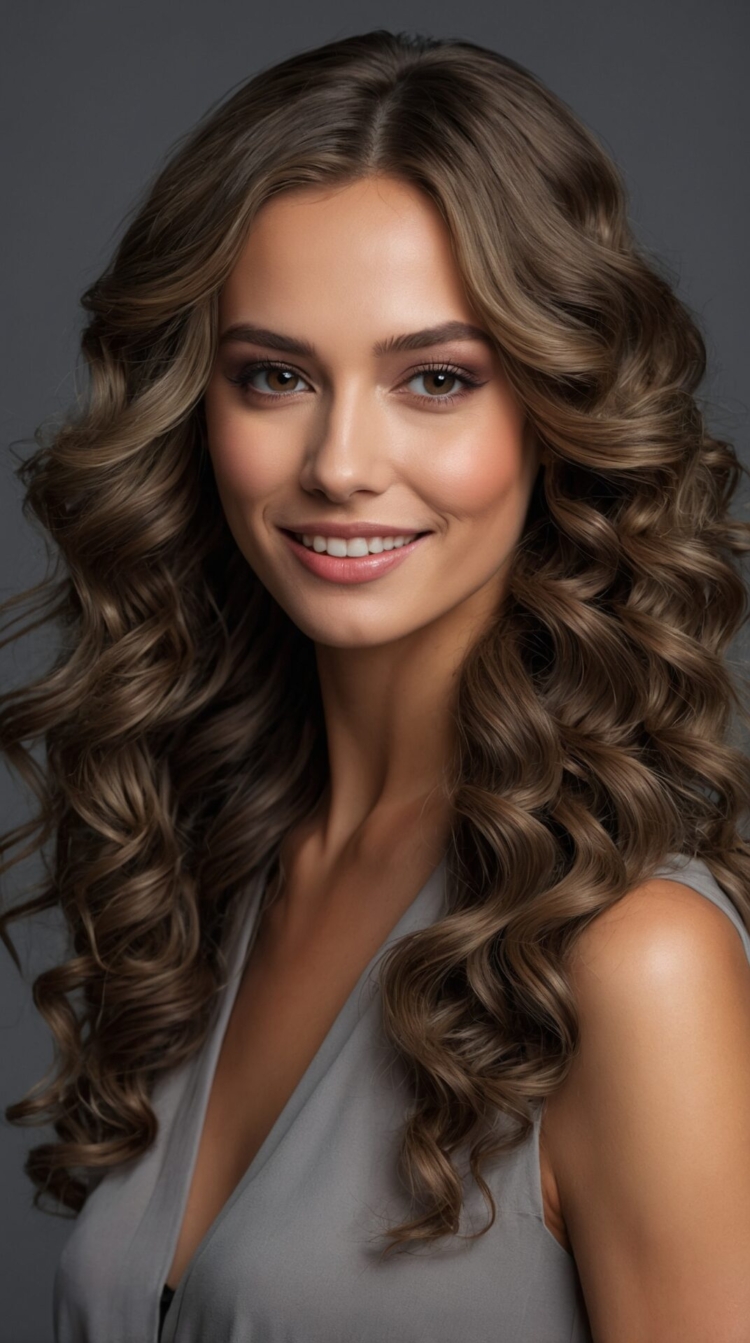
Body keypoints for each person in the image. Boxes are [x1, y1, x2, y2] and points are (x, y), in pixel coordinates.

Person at [2, 28, 750, 1343]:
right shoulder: (216, 880)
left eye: (436, 380)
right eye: (275, 376)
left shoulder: (637, 963)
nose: (340, 462)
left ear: (554, 410)